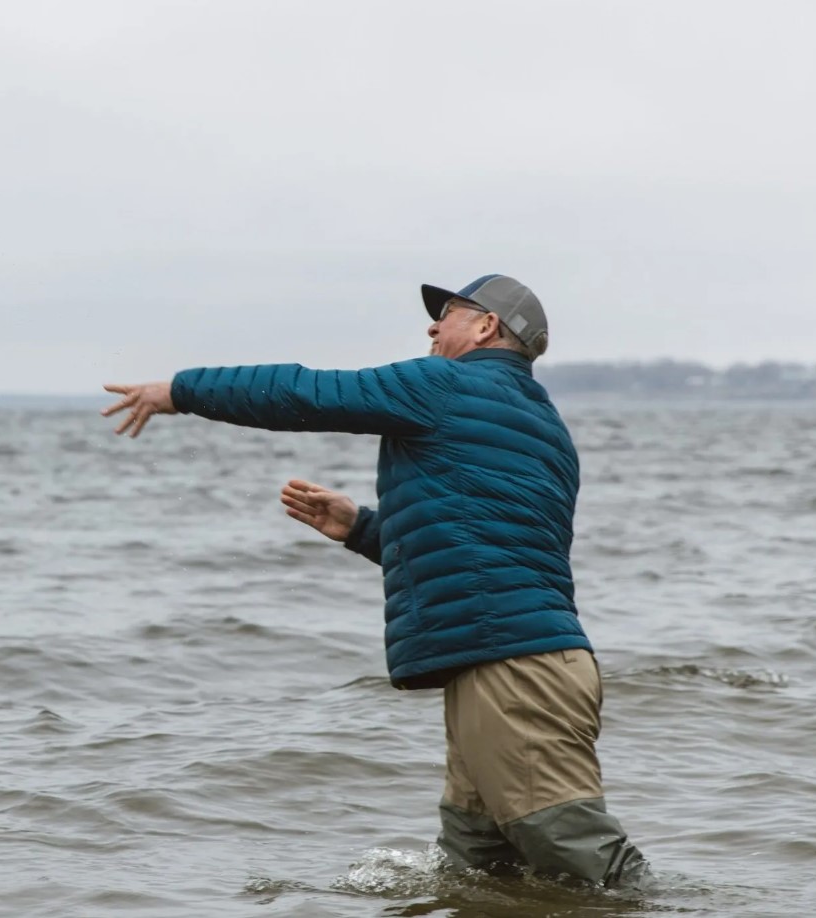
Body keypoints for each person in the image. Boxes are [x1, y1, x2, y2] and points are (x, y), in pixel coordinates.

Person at [100, 274, 648, 887]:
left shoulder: (443, 383)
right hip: (517, 660)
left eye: (447, 315)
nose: (432, 328)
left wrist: (180, 390)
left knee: (581, 856)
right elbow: (483, 548)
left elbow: (304, 393)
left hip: (512, 668)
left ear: (487, 326)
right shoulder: (545, 427)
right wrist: (363, 528)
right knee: (479, 870)